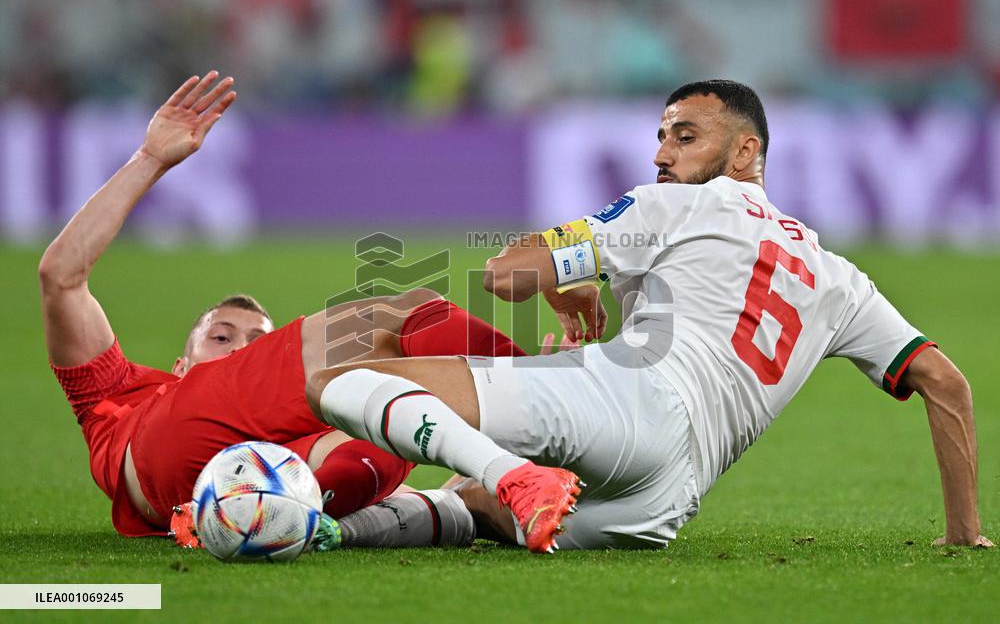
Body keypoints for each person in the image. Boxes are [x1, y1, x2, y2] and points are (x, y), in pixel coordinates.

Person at [302, 79, 993, 553]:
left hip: (632, 403)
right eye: (661, 136)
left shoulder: (677, 205)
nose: (663, 153)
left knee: (340, 382)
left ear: (745, 152)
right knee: (472, 503)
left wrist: (566, 286)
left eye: (686, 136)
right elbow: (946, 385)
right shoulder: (841, 280)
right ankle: (321, 530)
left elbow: (505, 273)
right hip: (663, 504)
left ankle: (514, 473)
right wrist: (964, 530)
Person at [40, 72, 531, 543]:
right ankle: (558, 390)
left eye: (259, 341)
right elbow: (60, 276)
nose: (241, 349)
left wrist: (467, 494)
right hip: (166, 445)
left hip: (254, 484)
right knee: (403, 318)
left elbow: (385, 486)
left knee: (393, 432)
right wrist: (149, 158)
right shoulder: (121, 394)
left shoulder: (297, 439)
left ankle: (261, 520)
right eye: (222, 336)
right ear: (180, 365)